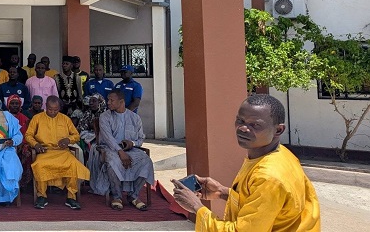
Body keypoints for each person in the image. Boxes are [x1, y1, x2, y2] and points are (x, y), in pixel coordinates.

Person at [171, 94, 320, 232]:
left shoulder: (269, 176)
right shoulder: (277, 154)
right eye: (240, 121)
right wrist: (222, 192)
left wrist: (197, 208)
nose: (243, 128)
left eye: (255, 125)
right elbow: (260, 203)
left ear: (278, 130)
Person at [25, 95, 90, 210]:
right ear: (46, 106)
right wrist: (36, 144)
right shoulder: (37, 118)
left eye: (56, 110)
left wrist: (68, 140)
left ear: (59, 108)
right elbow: (28, 135)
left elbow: (76, 135)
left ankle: (71, 197)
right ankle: (42, 196)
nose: (53, 112)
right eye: (50, 109)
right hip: (45, 152)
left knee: (73, 164)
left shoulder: (65, 119)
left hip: (62, 152)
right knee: (39, 165)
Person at [96, 91, 154, 210]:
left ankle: (133, 195)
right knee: (113, 162)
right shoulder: (105, 117)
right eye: (108, 100)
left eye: (111, 100)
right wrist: (120, 151)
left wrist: (132, 143)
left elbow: (140, 139)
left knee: (146, 161)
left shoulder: (135, 118)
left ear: (121, 102)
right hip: (110, 148)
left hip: (131, 149)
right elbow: (108, 138)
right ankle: (117, 197)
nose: (108, 103)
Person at [6, 94, 33, 188]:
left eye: (17, 103)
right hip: (7, 144)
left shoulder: (25, 119)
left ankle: (23, 183)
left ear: (20, 105)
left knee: (27, 152)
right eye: (12, 103)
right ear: (8, 105)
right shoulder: (4, 117)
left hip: (22, 143)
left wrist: (21, 143)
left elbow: (28, 134)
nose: (14, 105)